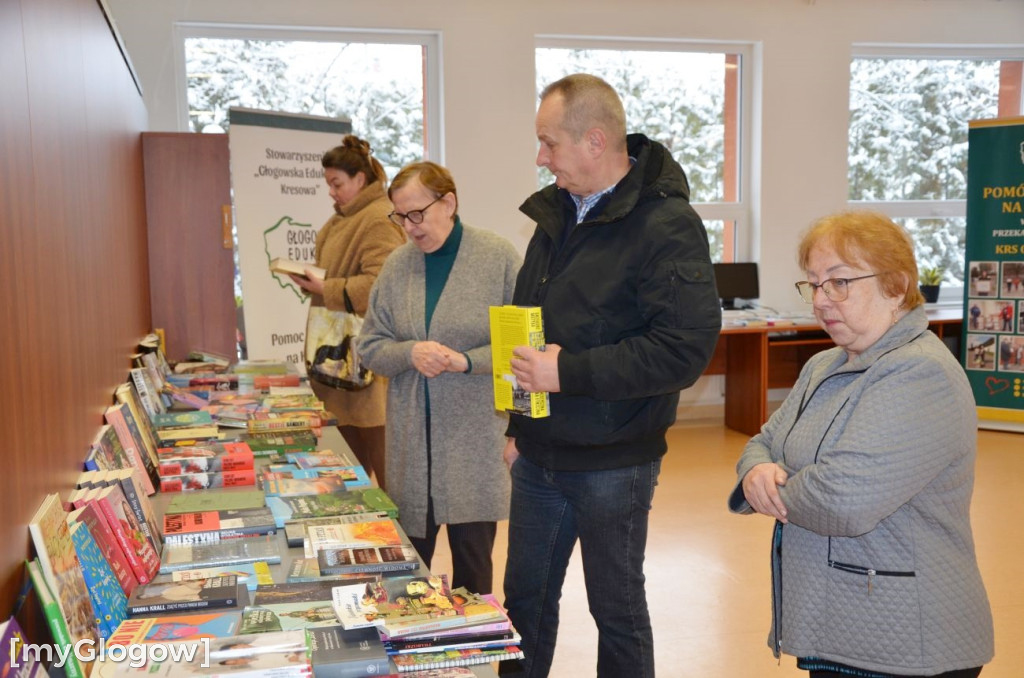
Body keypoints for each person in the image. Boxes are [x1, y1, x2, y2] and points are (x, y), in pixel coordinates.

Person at [501, 73, 721, 678]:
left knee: (616, 612)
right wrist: (518, 425)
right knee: (523, 606)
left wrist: (566, 373)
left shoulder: (667, 225)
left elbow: (682, 348)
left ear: (595, 141)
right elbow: (530, 332)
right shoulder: (556, 216)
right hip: (540, 452)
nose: (540, 158)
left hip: (614, 460)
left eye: (550, 143)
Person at [729, 211, 993, 678]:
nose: (821, 300)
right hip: (842, 623)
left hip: (908, 641)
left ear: (896, 286)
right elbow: (763, 442)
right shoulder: (824, 365)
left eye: (839, 282)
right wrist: (754, 472)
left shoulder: (919, 373)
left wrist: (772, 485)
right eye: (813, 284)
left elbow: (844, 499)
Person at [357, 161, 521, 595]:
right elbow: (369, 345)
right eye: (400, 216)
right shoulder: (396, 267)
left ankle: (474, 656)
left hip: (474, 443)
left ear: (448, 202)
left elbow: (523, 346)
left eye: (417, 213)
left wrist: (465, 361)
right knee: (406, 573)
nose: (409, 227)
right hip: (412, 448)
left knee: (474, 574)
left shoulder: (497, 257)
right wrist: (409, 352)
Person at [289, 135, 404, 489]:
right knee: (349, 473)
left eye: (337, 183)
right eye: (329, 184)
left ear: (360, 179)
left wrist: (327, 288)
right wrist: (314, 280)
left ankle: (394, 539)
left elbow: (380, 286)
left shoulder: (377, 219)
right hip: (341, 364)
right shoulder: (343, 219)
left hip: (366, 365)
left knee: (386, 475)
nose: (332, 192)